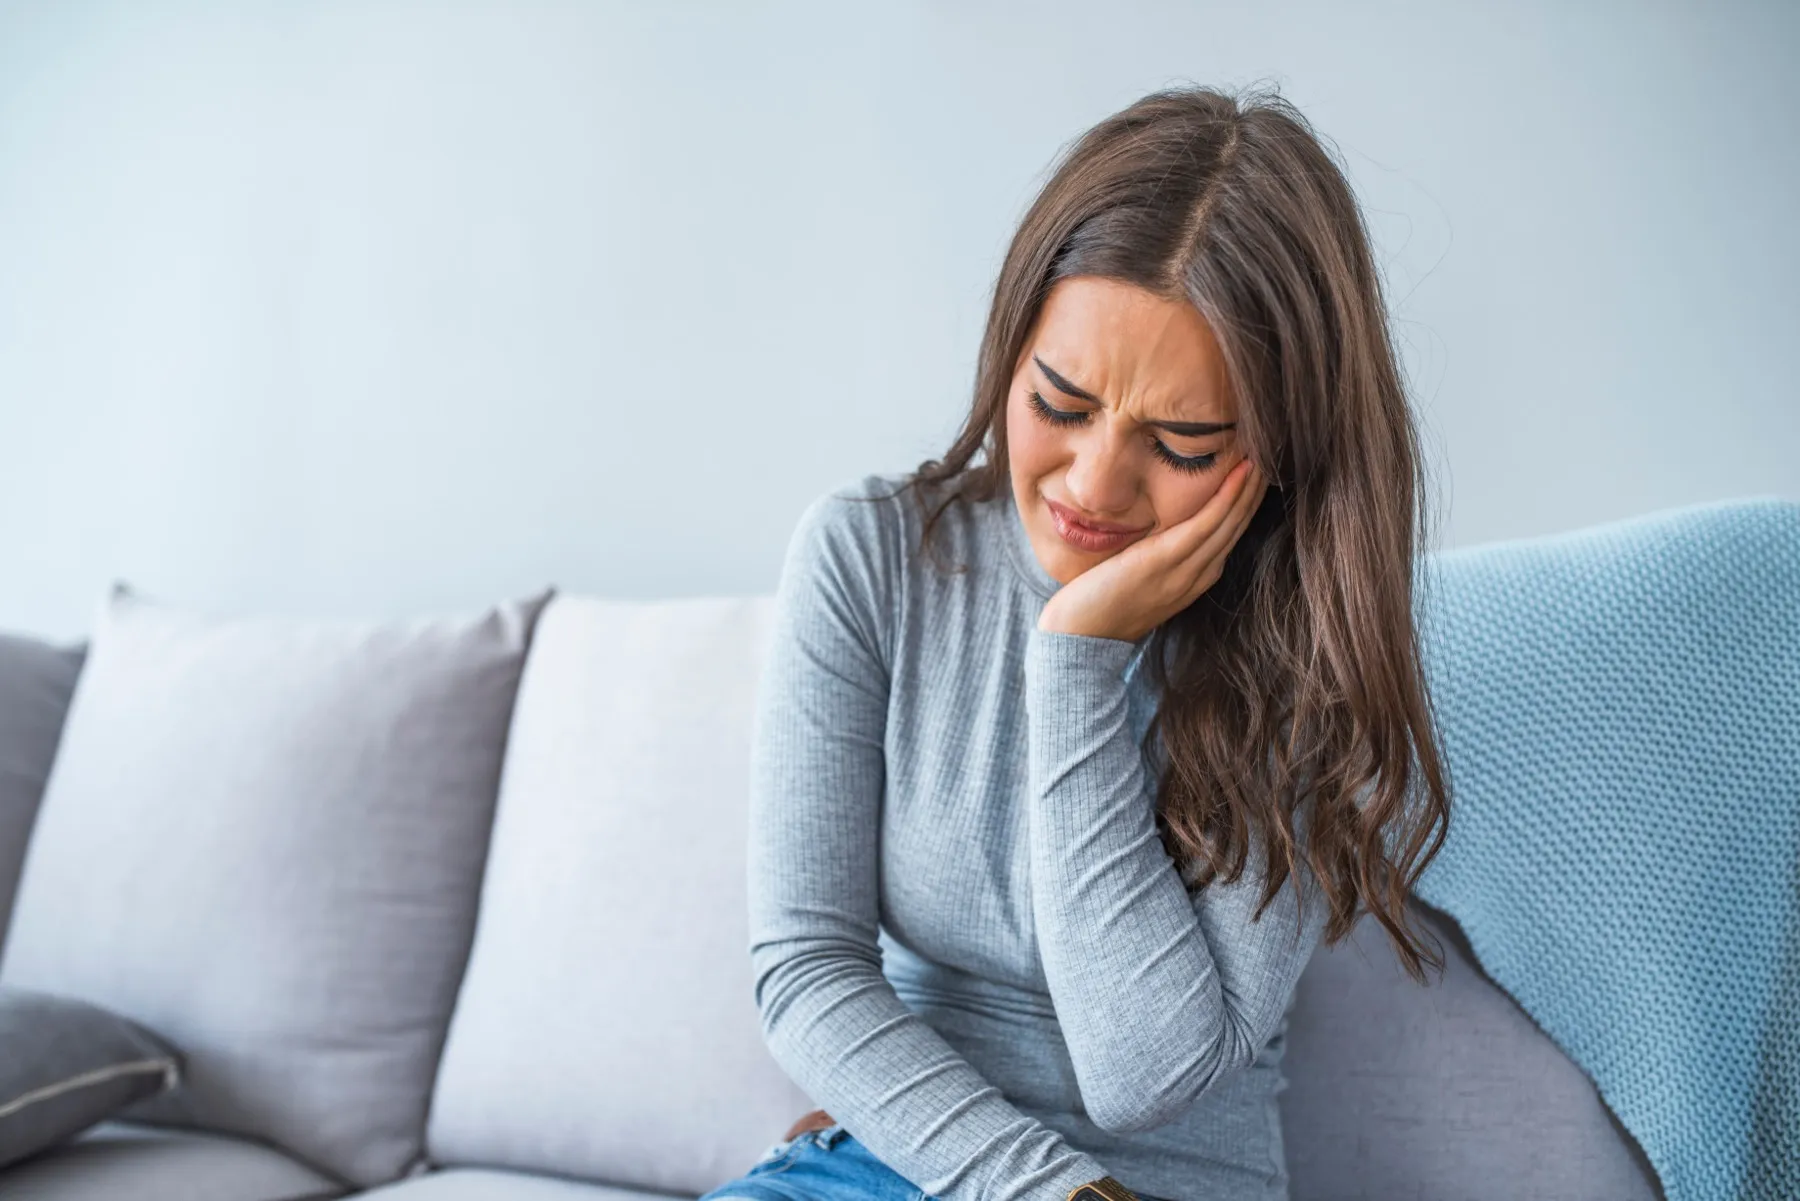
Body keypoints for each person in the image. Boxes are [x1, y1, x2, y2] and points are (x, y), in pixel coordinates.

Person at [699, 81, 1454, 1201]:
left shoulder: (1305, 649)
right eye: (1060, 403)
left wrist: (1077, 661)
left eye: (1182, 443)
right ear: (1010, 351)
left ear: (1282, 446)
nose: (1094, 484)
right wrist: (1038, 1191)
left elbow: (1144, 1076)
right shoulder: (870, 555)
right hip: (892, 1167)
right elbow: (807, 970)